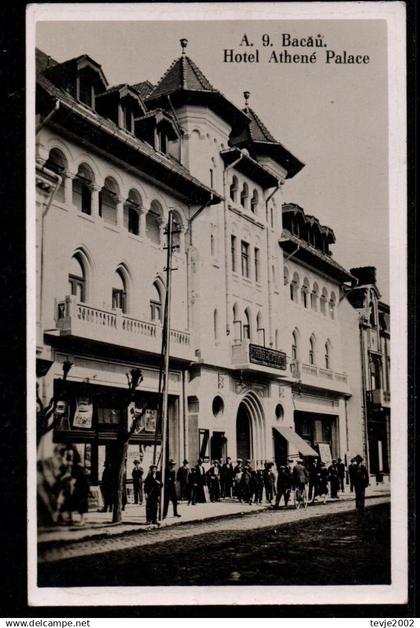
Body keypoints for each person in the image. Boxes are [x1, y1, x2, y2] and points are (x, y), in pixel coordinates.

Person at [71, 459, 90, 525]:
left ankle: (82, 520)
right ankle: (82, 520)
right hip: (82, 492)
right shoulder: (83, 474)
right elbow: (87, 485)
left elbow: (76, 483)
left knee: (80, 507)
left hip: (80, 492)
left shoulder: (79, 475)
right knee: (81, 507)